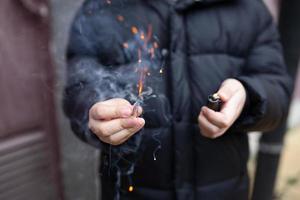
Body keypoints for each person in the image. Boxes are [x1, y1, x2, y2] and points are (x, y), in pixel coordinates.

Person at [63, 0, 292, 199]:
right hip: (130, 193)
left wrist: (248, 95)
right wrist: (92, 110)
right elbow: (79, 84)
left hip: (224, 190)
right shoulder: (102, 6)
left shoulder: (248, 8)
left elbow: (277, 88)